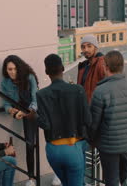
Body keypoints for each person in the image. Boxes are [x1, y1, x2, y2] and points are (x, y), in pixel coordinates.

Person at [89, 51, 127, 186]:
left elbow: (93, 122)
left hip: (109, 144)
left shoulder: (101, 91)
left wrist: (90, 140)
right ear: (122, 66)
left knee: (111, 179)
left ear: (105, 66)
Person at [36, 54, 91, 186]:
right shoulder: (78, 90)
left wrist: (34, 117)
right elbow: (88, 120)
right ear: (63, 68)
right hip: (73, 147)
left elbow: (45, 124)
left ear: (46, 72)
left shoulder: (41, 94)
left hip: (53, 150)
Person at [1, 55, 40, 186]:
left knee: (45, 141)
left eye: (14, 69)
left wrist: (26, 112)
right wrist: (12, 111)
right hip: (20, 112)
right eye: (9, 69)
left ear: (19, 69)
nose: (11, 72)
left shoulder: (29, 78)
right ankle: (31, 178)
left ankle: (56, 174)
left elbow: (35, 100)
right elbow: (6, 104)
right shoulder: (5, 83)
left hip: (33, 111)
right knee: (29, 144)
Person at [77, 34, 106, 185]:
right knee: (86, 151)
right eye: (83, 46)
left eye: (89, 46)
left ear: (95, 47)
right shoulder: (84, 66)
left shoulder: (101, 63)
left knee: (95, 153)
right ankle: (85, 182)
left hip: (96, 116)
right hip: (86, 116)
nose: (86, 49)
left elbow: (107, 87)